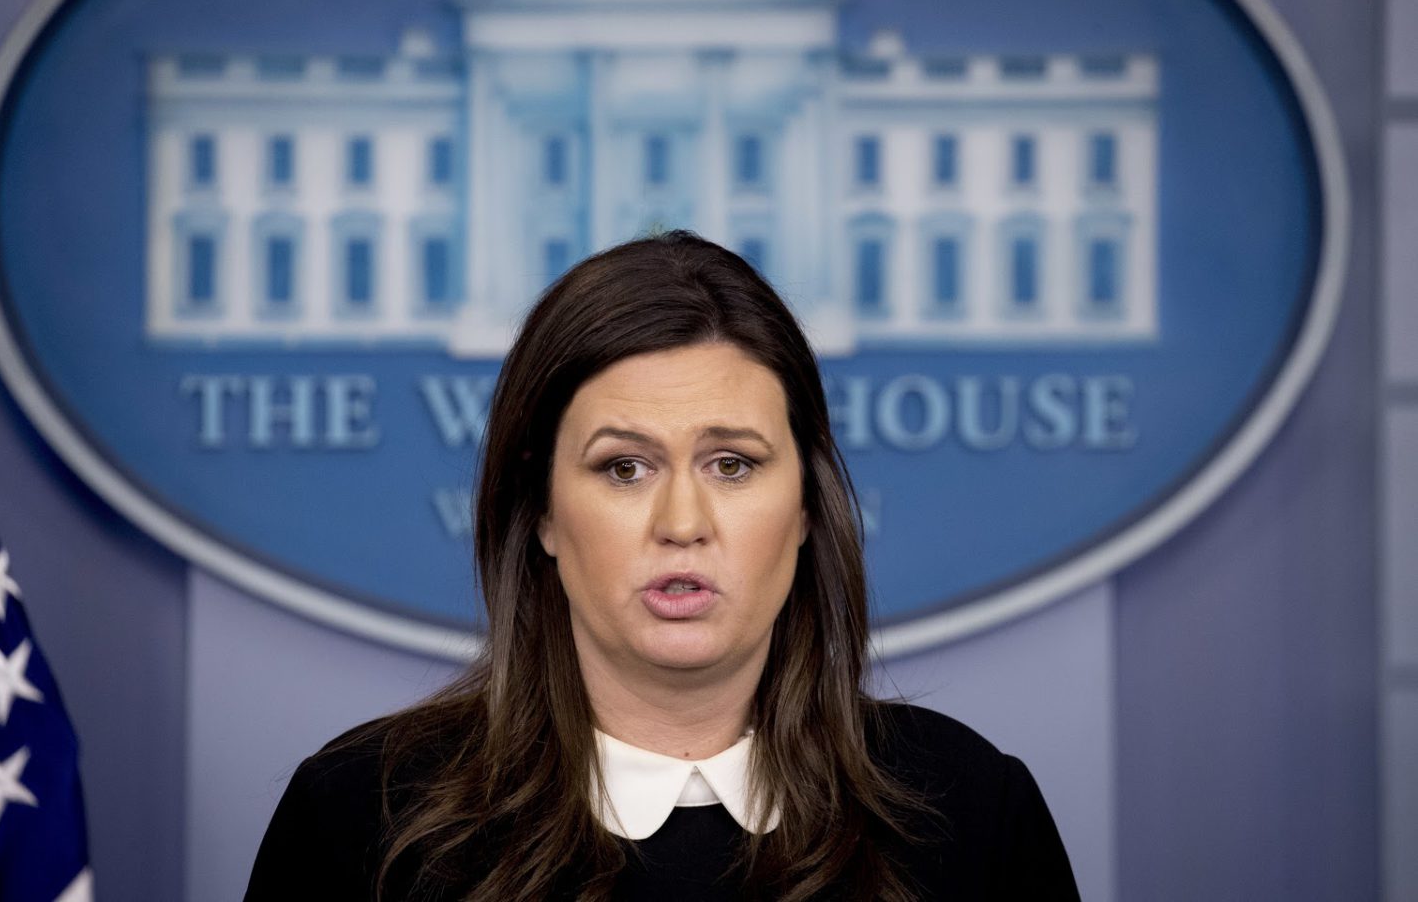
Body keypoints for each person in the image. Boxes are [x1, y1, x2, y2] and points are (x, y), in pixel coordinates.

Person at [245, 231, 1079, 901]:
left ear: (805, 510)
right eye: (624, 468)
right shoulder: (359, 819)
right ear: (539, 511)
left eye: (733, 464)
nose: (683, 524)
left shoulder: (972, 812)